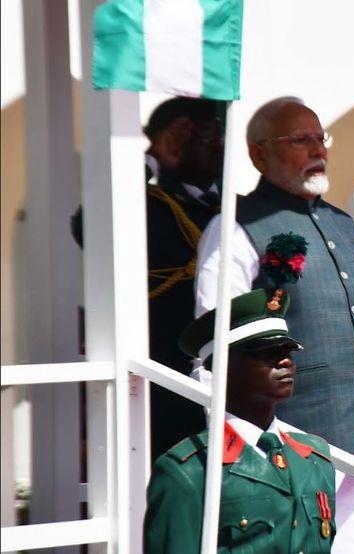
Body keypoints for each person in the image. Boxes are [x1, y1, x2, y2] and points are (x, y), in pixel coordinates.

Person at [194, 97, 354, 552]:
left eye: (319, 138)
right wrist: (239, 451)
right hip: (286, 445)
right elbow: (213, 351)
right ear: (258, 154)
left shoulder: (347, 227)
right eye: (300, 139)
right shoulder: (235, 227)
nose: (316, 149)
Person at [71, 97, 226, 459]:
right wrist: (150, 158)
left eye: (220, 135)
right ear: (175, 143)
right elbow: (87, 225)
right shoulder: (145, 207)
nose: (218, 145)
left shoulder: (239, 209)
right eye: (205, 135)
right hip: (167, 375)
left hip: (234, 375)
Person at [144, 288, 337, 553]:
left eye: (288, 351)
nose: (285, 361)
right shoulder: (189, 470)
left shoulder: (316, 457)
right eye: (268, 352)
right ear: (225, 367)